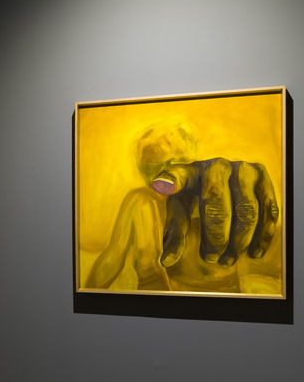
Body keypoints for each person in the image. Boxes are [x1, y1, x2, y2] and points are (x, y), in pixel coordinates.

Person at [82, 118, 280, 294]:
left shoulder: (210, 199)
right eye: (148, 167)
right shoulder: (142, 201)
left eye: (165, 164)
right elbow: (113, 257)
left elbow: (113, 258)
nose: (158, 179)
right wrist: (86, 292)